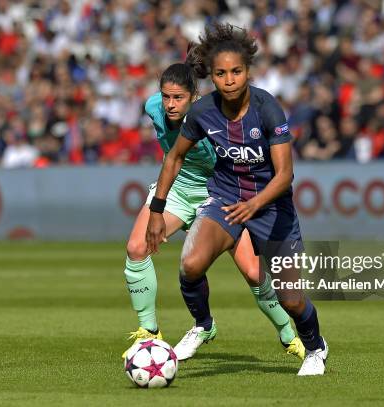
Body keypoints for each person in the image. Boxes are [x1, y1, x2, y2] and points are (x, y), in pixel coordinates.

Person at [146, 23, 328, 376]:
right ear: (210, 77)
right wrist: (157, 209)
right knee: (191, 264)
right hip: (226, 199)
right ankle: (202, 325)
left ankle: (315, 347)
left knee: (290, 298)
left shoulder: (268, 109)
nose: (229, 80)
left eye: (236, 72)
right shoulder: (202, 113)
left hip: (273, 208)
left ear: (247, 71)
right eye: (220, 73)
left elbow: (285, 175)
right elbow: (174, 157)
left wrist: (255, 204)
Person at [122, 57, 304, 361]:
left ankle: (288, 334)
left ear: (194, 97)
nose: (169, 104)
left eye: (178, 98)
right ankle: (150, 333)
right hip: (179, 189)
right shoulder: (152, 107)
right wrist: (157, 207)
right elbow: (173, 159)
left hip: (218, 192)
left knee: (252, 271)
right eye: (166, 96)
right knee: (137, 247)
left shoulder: (209, 120)